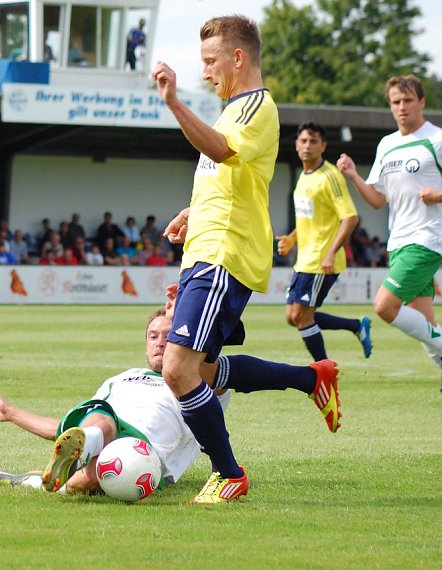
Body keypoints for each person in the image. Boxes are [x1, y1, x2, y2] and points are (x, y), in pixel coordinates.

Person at [151, 15, 339, 504]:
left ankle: (229, 472)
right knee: (206, 373)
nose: (207, 73)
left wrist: (174, 103)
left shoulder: (256, 106)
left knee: (177, 370)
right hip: (207, 248)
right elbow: (232, 177)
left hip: (224, 255)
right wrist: (193, 212)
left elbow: (223, 151)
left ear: (238, 58)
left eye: (212, 62)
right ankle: (311, 377)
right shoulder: (232, 110)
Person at [0, 305, 338, 494]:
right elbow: (68, 430)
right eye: (153, 335)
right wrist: (11, 413)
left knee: (93, 464)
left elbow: (230, 365)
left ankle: (53, 474)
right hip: (106, 441)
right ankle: (48, 474)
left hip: (148, 458)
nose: (161, 341)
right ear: (144, 342)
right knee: (96, 430)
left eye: (168, 335)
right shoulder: (120, 379)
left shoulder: (193, 376)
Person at [338, 74, 442, 384]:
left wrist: (436, 195)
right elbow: (377, 200)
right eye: (396, 102)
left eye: (408, 100)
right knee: (425, 323)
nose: (402, 107)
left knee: (384, 306)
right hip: (398, 242)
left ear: (421, 102)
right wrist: (355, 176)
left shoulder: (436, 139)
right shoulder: (387, 144)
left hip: (427, 239)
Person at [275, 122, 371, 362]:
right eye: (304, 141)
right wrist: (292, 237)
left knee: (302, 317)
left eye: (313, 141)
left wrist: (330, 252)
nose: (308, 146)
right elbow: (311, 217)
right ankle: (356, 326)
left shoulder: (330, 176)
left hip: (321, 260)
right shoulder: (304, 176)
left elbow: (350, 218)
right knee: (292, 316)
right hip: (305, 259)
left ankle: (324, 373)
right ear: (297, 144)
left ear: (323, 146)